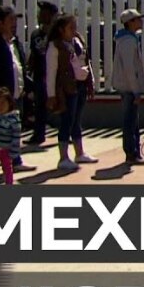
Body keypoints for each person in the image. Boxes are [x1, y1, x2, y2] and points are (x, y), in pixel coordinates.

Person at [45, 14, 98, 170]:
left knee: (76, 120)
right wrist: (51, 95)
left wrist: (90, 82)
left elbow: (86, 61)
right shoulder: (55, 46)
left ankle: (79, 153)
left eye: (75, 27)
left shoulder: (78, 41)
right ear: (61, 30)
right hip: (66, 88)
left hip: (80, 85)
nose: (74, 30)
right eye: (70, 27)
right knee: (67, 121)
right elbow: (51, 73)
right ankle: (63, 157)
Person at [111, 9, 144, 165]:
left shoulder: (128, 39)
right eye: (138, 19)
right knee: (130, 121)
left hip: (127, 86)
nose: (141, 22)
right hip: (128, 87)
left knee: (132, 120)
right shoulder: (128, 41)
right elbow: (129, 68)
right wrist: (136, 90)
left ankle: (133, 151)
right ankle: (131, 153)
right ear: (131, 22)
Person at [26, 1, 58, 145]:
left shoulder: (57, 34)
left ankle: (67, 132)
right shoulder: (35, 34)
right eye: (40, 13)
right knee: (39, 105)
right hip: (39, 74)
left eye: (44, 13)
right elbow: (33, 53)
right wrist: (29, 68)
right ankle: (38, 135)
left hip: (55, 75)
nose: (40, 16)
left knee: (59, 105)